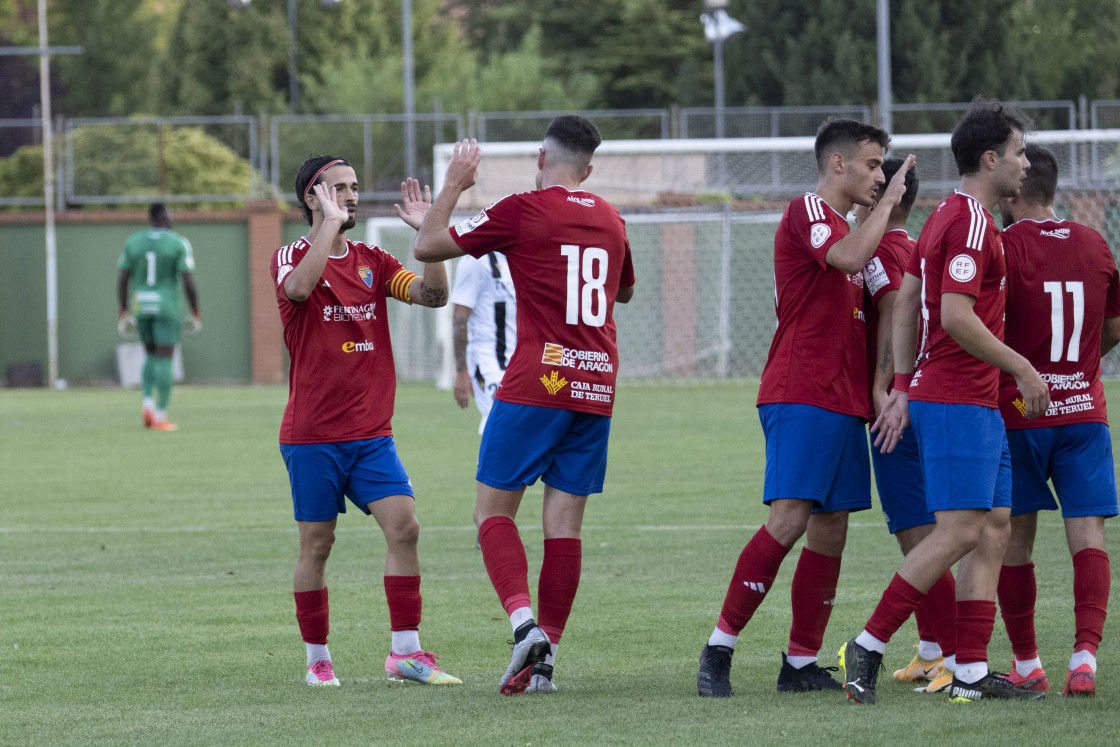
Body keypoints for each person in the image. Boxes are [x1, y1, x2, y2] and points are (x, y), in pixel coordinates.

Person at [412, 115, 636, 696]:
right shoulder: (611, 217)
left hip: (541, 380)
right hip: (596, 384)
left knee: (491, 512)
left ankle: (523, 626)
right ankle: (546, 662)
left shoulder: (523, 210)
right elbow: (625, 288)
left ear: (542, 157)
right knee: (564, 525)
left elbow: (428, 244)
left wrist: (454, 187)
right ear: (588, 170)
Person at [696, 118, 915, 698]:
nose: (879, 175)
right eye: (872, 164)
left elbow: (889, 298)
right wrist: (888, 205)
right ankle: (718, 648)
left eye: (883, 168)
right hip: (801, 390)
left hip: (842, 398)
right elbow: (845, 259)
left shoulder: (855, 230)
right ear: (838, 164)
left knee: (831, 531)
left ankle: (799, 662)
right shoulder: (809, 211)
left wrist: (879, 384)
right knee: (789, 519)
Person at [841, 97, 1049, 704]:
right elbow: (954, 317)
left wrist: (904, 386)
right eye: (1018, 152)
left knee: (993, 531)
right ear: (990, 158)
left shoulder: (944, 217)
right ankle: (870, 643)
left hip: (969, 397)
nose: (1025, 162)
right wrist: (1022, 367)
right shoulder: (972, 222)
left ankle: (971, 673)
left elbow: (907, 305)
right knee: (960, 531)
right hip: (961, 398)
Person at [270, 154, 461, 688]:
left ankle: (406, 653)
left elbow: (434, 296)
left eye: (354, 188)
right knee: (318, 545)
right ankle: (317, 659)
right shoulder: (289, 257)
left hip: (372, 434)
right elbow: (300, 291)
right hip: (313, 437)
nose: (352, 196)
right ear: (313, 196)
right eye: (340, 189)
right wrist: (327, 228)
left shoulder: (373, 261)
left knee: (405, 528)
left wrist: (430, 237)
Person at [995, 143, 1120, 698]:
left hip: (1020, 411)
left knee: (1014, 540)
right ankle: (1085, 658)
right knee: (1088, 536)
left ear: (1017, 190)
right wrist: (1082, 367)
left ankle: (1027, 663)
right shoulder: (1096, 244)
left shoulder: (1002, 246)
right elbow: (1112, 326)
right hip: (1084, 414)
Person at [857, 161, 958, 694]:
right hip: (920, 396)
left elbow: (898, 307)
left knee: (918, 531)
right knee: (914, 527)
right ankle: (929, 648)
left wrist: (887, 386)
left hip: (901, 403)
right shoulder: (908, 245)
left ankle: (955, 654)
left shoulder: (886, 252)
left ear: (886, 199)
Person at [116, 202, 201, 432]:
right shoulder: (177, 242)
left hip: (141, 305)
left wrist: (123, 310)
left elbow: (123, 277)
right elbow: (188, 280)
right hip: (165, 307)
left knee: (150, 355)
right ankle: (160, 415)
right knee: (165, 358)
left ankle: (147, 404)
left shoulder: (133, 241)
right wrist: (195, 311)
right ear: (164, 216)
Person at [450, 252, 517, 434]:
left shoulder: (520, 256)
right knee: (501, 429)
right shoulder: (476, 261)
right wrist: (461, 371)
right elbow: (459, 318)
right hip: (489, 364)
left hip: (520, 365)